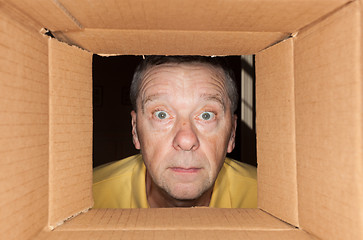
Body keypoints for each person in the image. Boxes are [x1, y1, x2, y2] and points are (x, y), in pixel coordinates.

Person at [93, 56, 257, 208]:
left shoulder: (266, 197)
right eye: (161, 115)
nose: (186, 140)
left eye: (206, 115)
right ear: (135, 130)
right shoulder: (88, 197)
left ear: (232, 134)